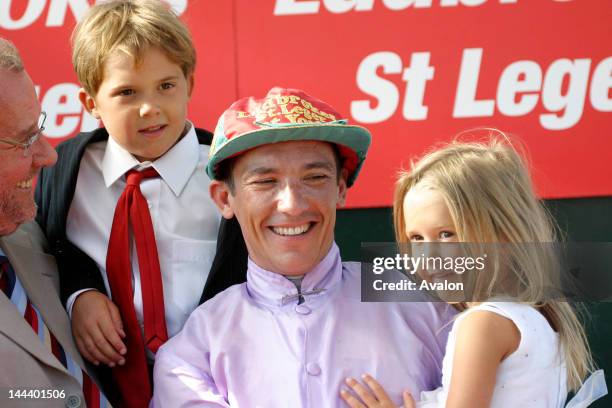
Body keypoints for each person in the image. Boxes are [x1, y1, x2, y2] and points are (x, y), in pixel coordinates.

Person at [151, 86, 455, 407]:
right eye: (265, 181)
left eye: (314, 178)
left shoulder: (427, 306)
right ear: (225, 199)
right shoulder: (191, 357)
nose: (292, 205)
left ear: (340, 189)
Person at [35, 1, 247, 406]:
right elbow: (53, 247)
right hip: (104, 388)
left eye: (166, 85)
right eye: (127, 92)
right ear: (90, 103)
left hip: (222, 387)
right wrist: (80, 293)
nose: (150, 107)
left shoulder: (230, 171)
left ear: (190, 84)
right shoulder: (63, 171)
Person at [341, 135, 608, 407]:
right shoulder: (539, 320)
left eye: (447, 234)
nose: (429, 257)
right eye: (416, 239)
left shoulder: (481, 324)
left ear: (505, 233)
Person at [0, 37, 114, 408]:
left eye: (40, 129)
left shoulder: (32, 230)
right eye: (24, 139)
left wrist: (85, 292)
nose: (49, 156)